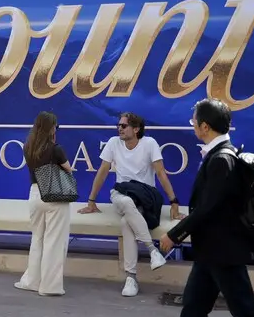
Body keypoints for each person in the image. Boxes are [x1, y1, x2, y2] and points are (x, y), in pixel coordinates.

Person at [160, 98, 254, 317]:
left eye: (194, 122)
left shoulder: (222, 159)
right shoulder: (219, 155)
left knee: (245, 310)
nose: (193, 126)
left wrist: (174, 235)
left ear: (205, 126)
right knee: (193, 307)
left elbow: (207, 207)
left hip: (224, 252)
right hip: (210, 250)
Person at [78, 112, 184, 297]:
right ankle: (152, 250)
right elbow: (102, 171)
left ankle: (131, 278)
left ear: (136, 129)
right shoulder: (113, 143)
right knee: (126, 202)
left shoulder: (149, 143)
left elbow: (161, 173)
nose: (119, 128)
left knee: (126, 222)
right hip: (121, 193)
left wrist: (174, 201)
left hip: (145, 197)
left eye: (124, 126)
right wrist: (91, 201)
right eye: (118, 125)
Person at [14, 111, 73, 296]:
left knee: (37, 239)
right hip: (55, 195)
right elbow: (68, 169)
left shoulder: (28, 147)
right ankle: (50, 287)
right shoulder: (56, 149)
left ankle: (32, 281)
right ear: (51, 128)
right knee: (54, 242)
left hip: (35, 194)